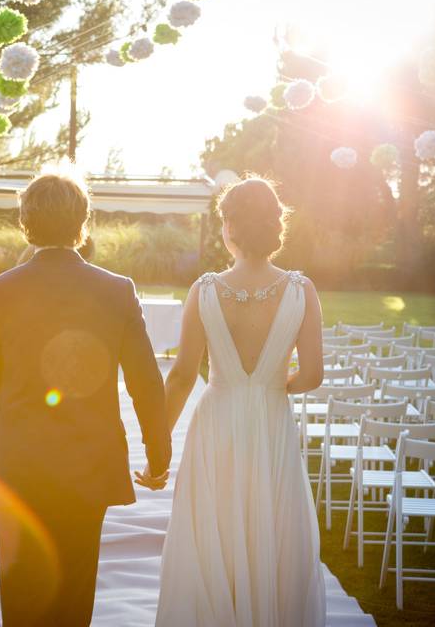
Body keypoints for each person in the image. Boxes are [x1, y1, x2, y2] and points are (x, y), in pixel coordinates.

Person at [0, 169, 171, 627]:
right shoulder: (117, 290)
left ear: (26, 223)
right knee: (75, 597)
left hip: (18, 464)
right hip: (88, 464)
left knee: (20, 598)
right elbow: (145, 381)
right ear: (84, 221)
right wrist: (158, 456)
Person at [155, 176, 327, 626]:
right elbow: (312, 375)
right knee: (269, 531)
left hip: (217, 422)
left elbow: (181, 377)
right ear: (275, 226)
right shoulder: (301, 290)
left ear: (229, 227)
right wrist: (272, 386)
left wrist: (158, 448)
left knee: (214, 532)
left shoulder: (204, 290)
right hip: (271, 420)